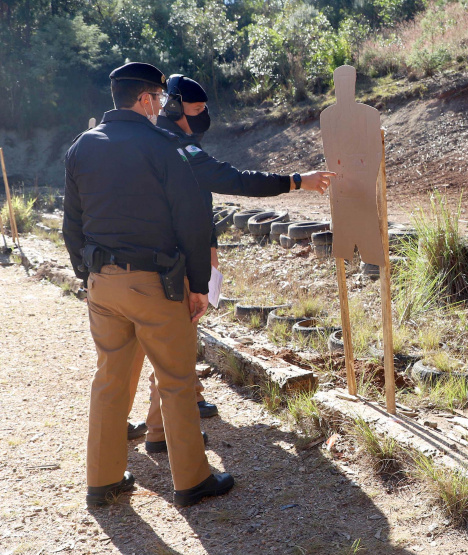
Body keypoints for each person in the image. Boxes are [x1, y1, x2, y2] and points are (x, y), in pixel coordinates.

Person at [124, 74, 334, 453]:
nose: (204, 116)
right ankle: (164, 429)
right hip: (170, 262)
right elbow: (232, 180)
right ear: (172, 107)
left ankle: (167, 417)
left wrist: (210, 252)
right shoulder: (174, 146)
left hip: (157, 259)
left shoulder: (160, 141)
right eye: (198, 109)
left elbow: (197, 204)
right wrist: (297, 180)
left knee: (163, 344)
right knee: (171, 343)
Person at [64, 62, 234, 507]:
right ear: (144, 99)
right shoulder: (163, 146)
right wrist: (199, 285)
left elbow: (72, 224)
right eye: (157, 99)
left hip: (102, 283)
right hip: (155, 284)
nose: (160, 106)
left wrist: (88, 278)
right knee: (176, 379)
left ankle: (102, 482)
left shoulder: (82, 146)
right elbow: (192, 221)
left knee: (109, 382)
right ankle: (192, 481)